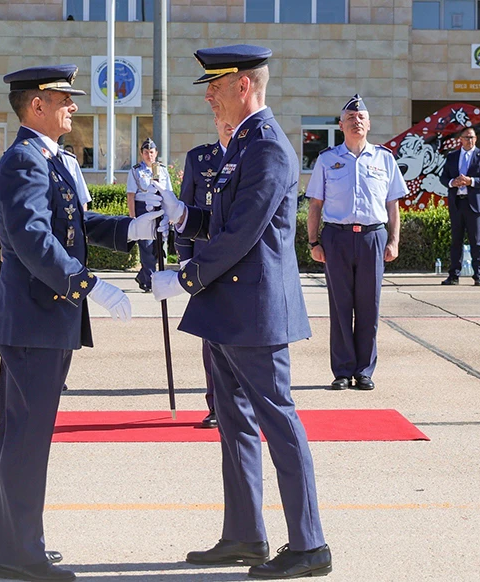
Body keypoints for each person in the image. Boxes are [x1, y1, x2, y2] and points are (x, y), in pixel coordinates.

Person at [151, 44, 331, 579]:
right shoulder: (242, 147)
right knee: (233, 424)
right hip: (229, 309)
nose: (209, 95)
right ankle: (245, 534)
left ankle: (309, 544)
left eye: (216, 85)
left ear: (244, 87)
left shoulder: (268, 148)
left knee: (277, 420)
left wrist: (184, 277)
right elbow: (225, 221)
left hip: (253, 311)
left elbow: (243, 235)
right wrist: (186, 219)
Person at [0, 64, 162, 582]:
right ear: (36, 105)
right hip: (35, 318)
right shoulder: (24, 160)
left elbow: (75, 223)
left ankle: (9, 546)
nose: (73, 107)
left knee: (19, 435)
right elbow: (33, 240)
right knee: (27, 437)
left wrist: (131, 227)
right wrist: (89, 286)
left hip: (41, 319)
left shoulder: (49, 159)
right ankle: (23, 555)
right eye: (64, 99)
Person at [305, 94, 407, 391]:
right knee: (340, 307)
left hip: (372, 237)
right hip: (336, 237)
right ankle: (342, 370)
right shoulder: (327, 159)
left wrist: (394, 241)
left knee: (368, 306)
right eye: (350, 118)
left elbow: (393, 207)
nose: (356, 121)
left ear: (369, 124)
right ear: (341, 125)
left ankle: (364, 370)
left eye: (361, 117)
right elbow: (315, 205)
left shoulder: (385, 159)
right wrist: (313, 242)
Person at [176, 115, 234, 429]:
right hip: (204, 262)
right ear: (214, 120)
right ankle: (217, 405)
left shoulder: (252, 155)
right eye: (221, 117)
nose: (227, 122)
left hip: (242, 263)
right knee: (210, 338)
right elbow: (184, 213)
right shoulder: (199, 159)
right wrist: (185, 259)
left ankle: (241, 405)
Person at [439, 127, 480, 286]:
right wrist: (452, 183)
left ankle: (478, 275)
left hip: (474, 204)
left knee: (476, 241)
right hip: (457, 202)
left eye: (472, 137)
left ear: (475, 139)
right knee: (456, 241)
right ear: (460, 140)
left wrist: (472, 181)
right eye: (467, 137)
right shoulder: (452, 157)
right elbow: (443, 177)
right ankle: (453, 276)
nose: (470, 140)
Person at [126, 138, 172, 292]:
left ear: (156, 153)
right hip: (143, 210)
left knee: (159, 247)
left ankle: (144, 276)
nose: (149, 155)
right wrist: (133, 218)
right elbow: (131, 195)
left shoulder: (163, 170)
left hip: (160, 210)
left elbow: (169, 193)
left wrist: (171, 214)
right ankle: (151, 281)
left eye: (151, 152)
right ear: (141, 154)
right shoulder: (135, 171)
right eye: (146, 152)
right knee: (146, 246)